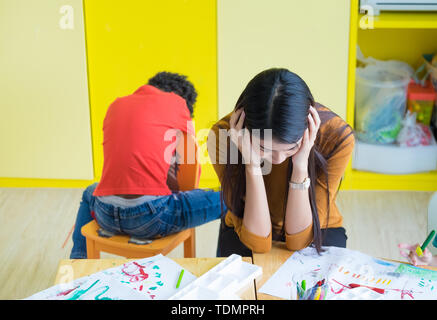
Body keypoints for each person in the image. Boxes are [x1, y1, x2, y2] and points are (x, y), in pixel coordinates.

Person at [70, 71, 225, 259]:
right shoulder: (177, 104)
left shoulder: (116, 105)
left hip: (104, 212)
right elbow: (190, 173)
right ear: (182, 100)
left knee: (89, 192)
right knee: (229, 199)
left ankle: (77, 261)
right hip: (150, 217)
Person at [207, 68, 355, 257]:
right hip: (249, 224)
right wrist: (252, 166)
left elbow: (299, 241)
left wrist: (300, 167)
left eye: (290, 148)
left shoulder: (336, 136)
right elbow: (258, 243)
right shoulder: (223, 136)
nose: (277, 159)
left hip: (317, 225)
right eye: (263, 148)